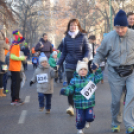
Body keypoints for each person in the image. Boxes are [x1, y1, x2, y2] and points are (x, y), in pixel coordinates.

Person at [91, 10, 134, 134]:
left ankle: (130, 124)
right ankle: (115, 123)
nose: (120, 30)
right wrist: (95, 62)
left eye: (122, 27)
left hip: (131, 71)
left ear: (127, 26)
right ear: (114, 26)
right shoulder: (109, 38)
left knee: (131, 97)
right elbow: (100, 53)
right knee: (116, 101)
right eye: (117, 27)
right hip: (115, 72)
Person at [57, 19, 90, 116]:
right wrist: (58, 64)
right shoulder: (66, 38)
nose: (73, 27)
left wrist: (85, 58)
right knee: (70, 87)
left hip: (81, 66)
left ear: (78, 26)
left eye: (75, 25)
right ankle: (71, 106)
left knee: (82, 87)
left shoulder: (83, 37)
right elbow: (63, 53)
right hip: (69, 66)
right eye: (71, 25)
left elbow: (87, 50)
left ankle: (83, 106)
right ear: (69, 27)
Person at [60, 61, 102, 134]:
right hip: (79, 104)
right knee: (80, 119)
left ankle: (88, 121)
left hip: (89, 103)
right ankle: (80, 129)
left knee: (90, 117)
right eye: (81, 69)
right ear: (77, 71)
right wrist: (65, 91)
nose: (83, 71)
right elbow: (70, 89)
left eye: (85, 69)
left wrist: (97, 69)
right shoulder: (74, 80)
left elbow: (99, 77)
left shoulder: (91, 78)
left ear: (87, 70)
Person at [9, 30, 26, 105]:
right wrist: (22, 58)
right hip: (15, 67)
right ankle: (15, 99)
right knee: (16, 83)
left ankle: (14, 98)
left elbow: (22, 39)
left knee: (15, 82)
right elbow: (12, 56)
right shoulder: (15, 45)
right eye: (19, 36)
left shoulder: (14, 43)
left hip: (14, 67)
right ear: (17, 37)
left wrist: (19, 34)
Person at [0, 27, 10, 97]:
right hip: (3, 62)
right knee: (3, 76)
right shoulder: (3, 42)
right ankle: (2, 92)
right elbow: (9, 48)